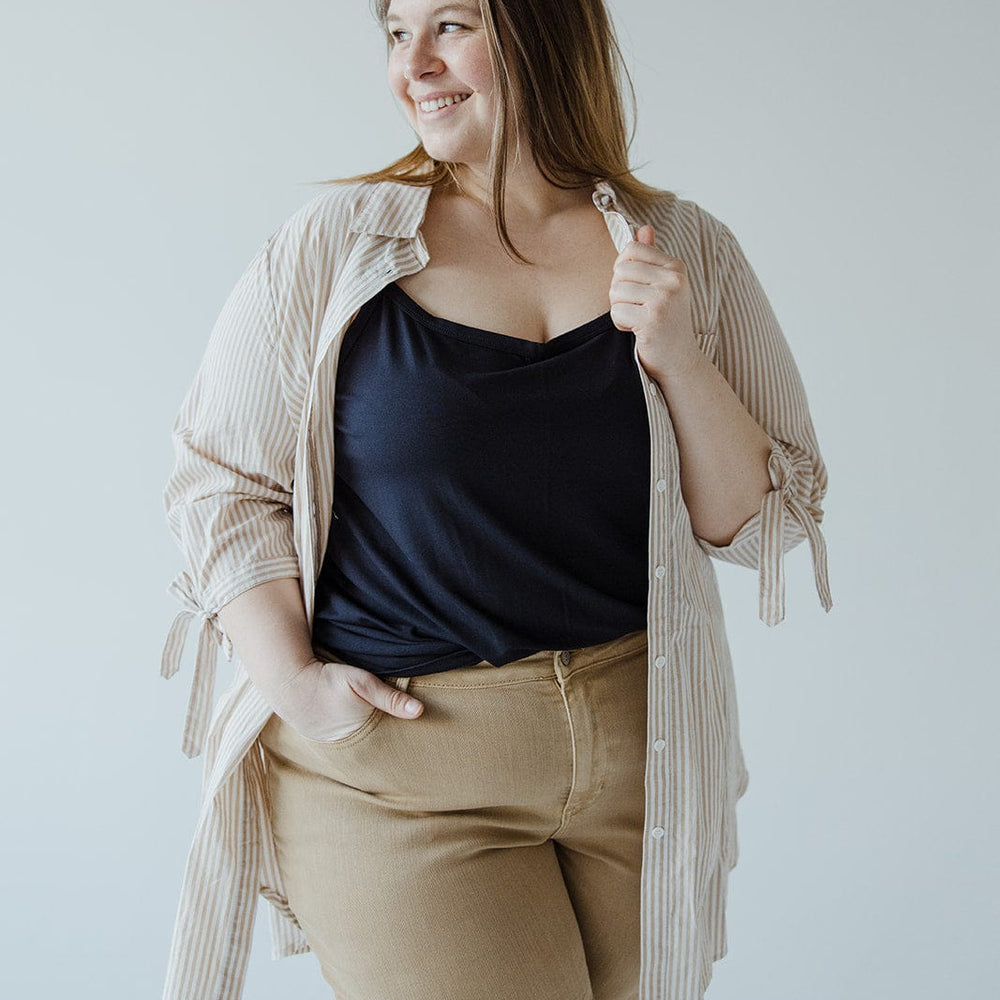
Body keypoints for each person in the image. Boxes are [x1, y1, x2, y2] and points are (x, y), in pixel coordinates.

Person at [158, 1, 833, 998]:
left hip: (637, 758)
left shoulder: (683, 246)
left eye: (450, 25)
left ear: (543, 31)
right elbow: (220, 481)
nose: (415, 65)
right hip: (403, 764)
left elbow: (757, 519)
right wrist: (294, 682)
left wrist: (680, 357)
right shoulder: (336, 246)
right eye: (396, 34)